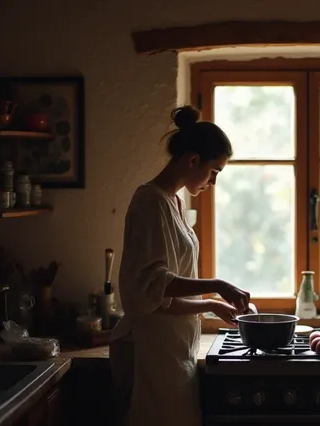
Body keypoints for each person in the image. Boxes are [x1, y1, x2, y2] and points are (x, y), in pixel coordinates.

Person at [109, 105, 250, 426]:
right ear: (192, 160)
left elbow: (166, 298)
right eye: (214, 171)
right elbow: (154, 284)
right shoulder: (149, 201)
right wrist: (217, 285)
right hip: (149, 350)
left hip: (172, 349)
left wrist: (211, 304)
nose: (213, 182)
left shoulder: (174, 202)